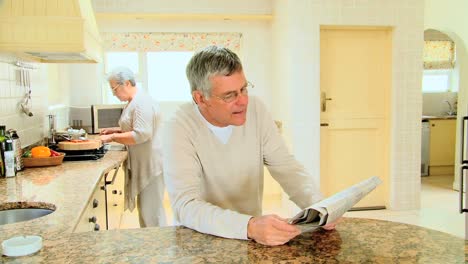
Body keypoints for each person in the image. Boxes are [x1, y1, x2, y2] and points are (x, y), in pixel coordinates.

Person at [162, 46, 336, 246]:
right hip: (200, 239)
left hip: (250, 237)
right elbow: (186, 206)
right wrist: (250, 226)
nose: (243, 101)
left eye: (243, 89)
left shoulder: (257, 109)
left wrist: (318, 206)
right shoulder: (177, 128)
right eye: (229, 95)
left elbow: (286, 167)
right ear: (200, 98)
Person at [100, 67, 166, 227]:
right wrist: (116, 130)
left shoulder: (142, 103)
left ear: (127, 83)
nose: (114, 93)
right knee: (147, 210)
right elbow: (134, 126)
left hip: (150, 164)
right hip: (144, 162)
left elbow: (141, 134)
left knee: (151, 212)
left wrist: (112, 137)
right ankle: (153, 246)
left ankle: (160, 248)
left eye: (114, 89)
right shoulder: (134, 102)